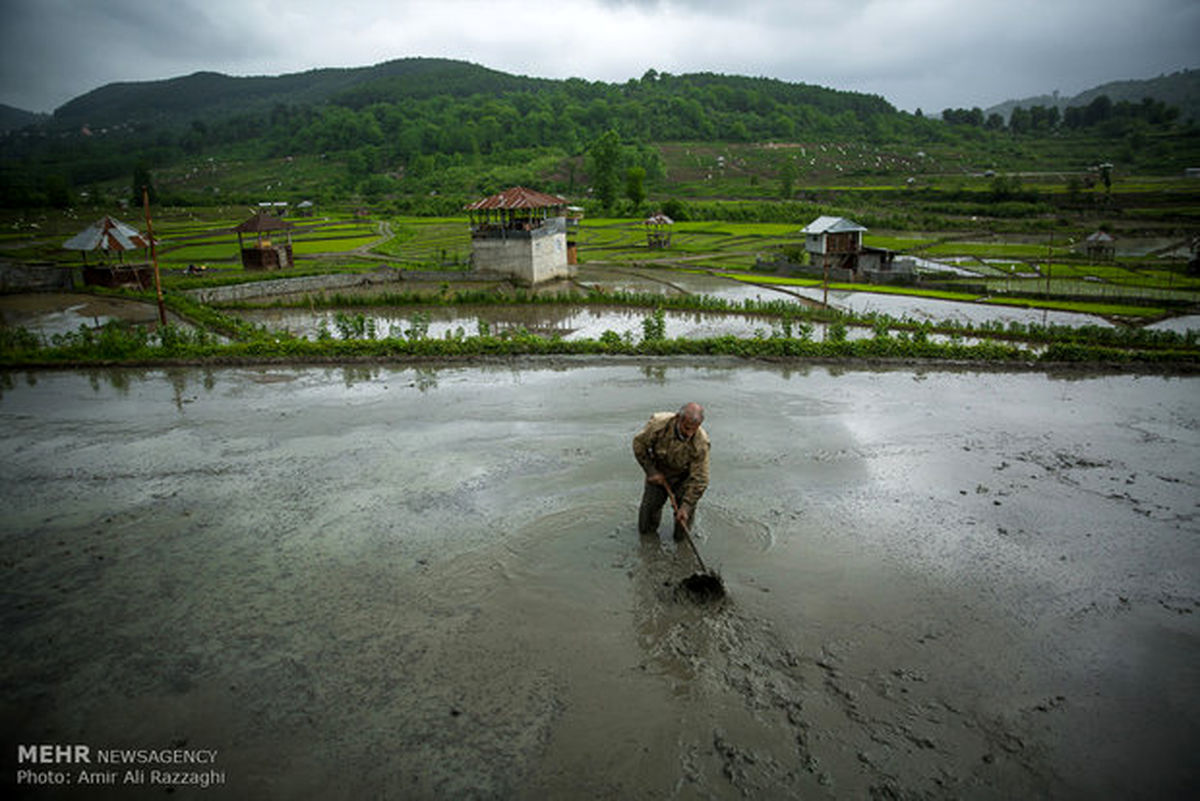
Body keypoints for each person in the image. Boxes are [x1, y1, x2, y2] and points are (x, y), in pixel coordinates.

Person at [632, 402, 710, 539]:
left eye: (694, 429)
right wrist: (651, 471)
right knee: (647, 521)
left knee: (683, 527)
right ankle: (648, 549)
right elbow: (639, 445)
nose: (689, 434)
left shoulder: (701, 442)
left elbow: (700, 478)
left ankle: (680, 548)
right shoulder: (658, 425)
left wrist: (686, 506)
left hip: (684, 478)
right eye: (686, 428)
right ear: (678, 418)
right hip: (659, 472)